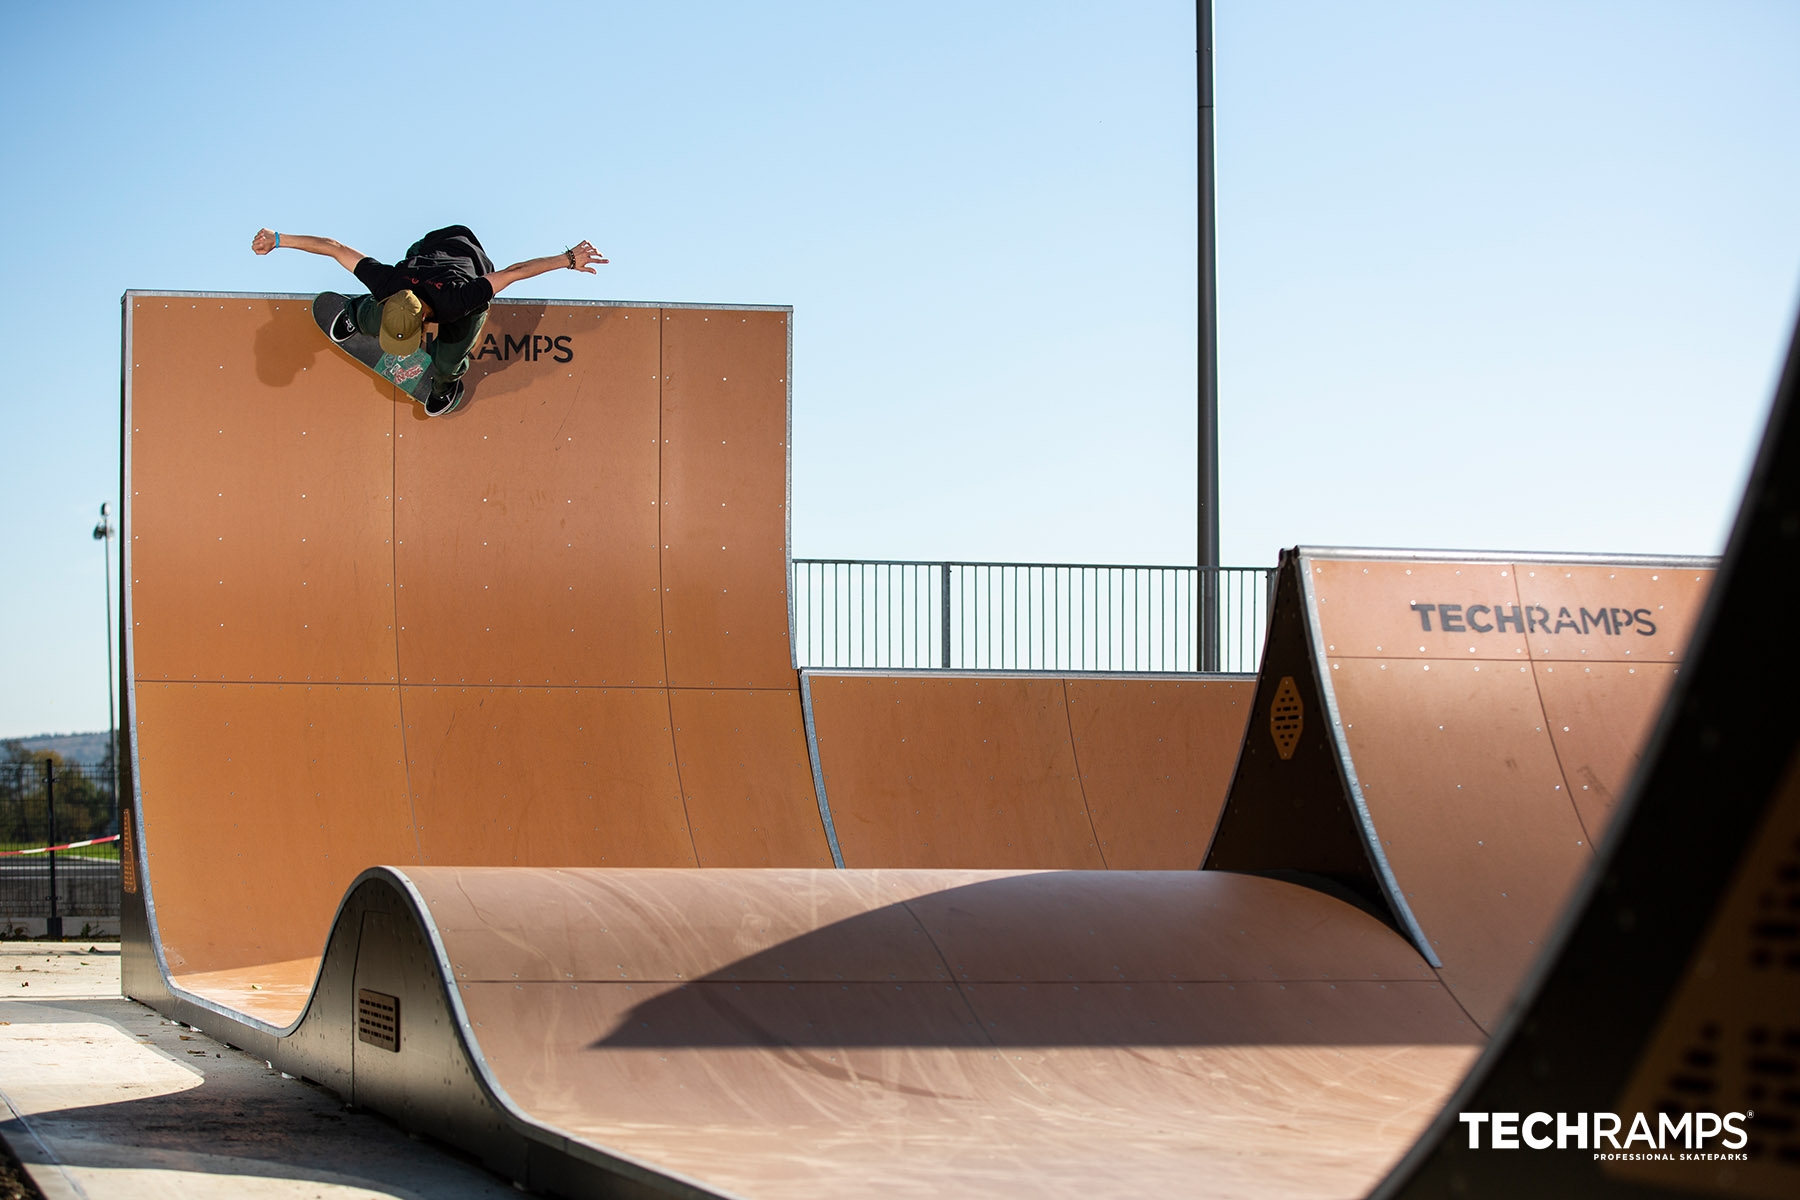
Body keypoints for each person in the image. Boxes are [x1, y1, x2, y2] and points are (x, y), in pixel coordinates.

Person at [251, 226, 607, 415]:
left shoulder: (459, 298)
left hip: (471, 264)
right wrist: (278, 239)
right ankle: (358, 313)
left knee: (450, 358)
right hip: (427, 249)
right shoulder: (388, 283)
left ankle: (444, 385)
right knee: (376, 315)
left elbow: (513, 273)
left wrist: (568, 259)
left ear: (424, 318)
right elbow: (334, 247)